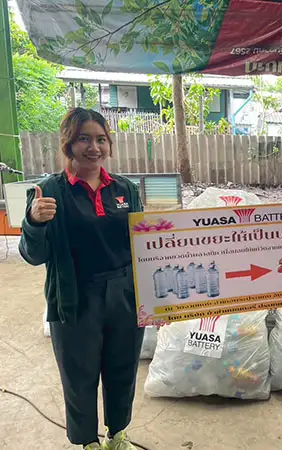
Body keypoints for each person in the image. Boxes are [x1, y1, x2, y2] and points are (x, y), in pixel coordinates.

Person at [19, 108, 145, 450]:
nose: (94, 147)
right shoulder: (49, 192)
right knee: (79, 375)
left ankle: (117, 435)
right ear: (68, 144)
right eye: (84, 139)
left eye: (101, 139)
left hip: (125, 295)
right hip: (75, 297)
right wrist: (34, 223)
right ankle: (87, 442)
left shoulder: (125, 189)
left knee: (123, 369)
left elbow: (143, 246)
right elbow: (33, 255)